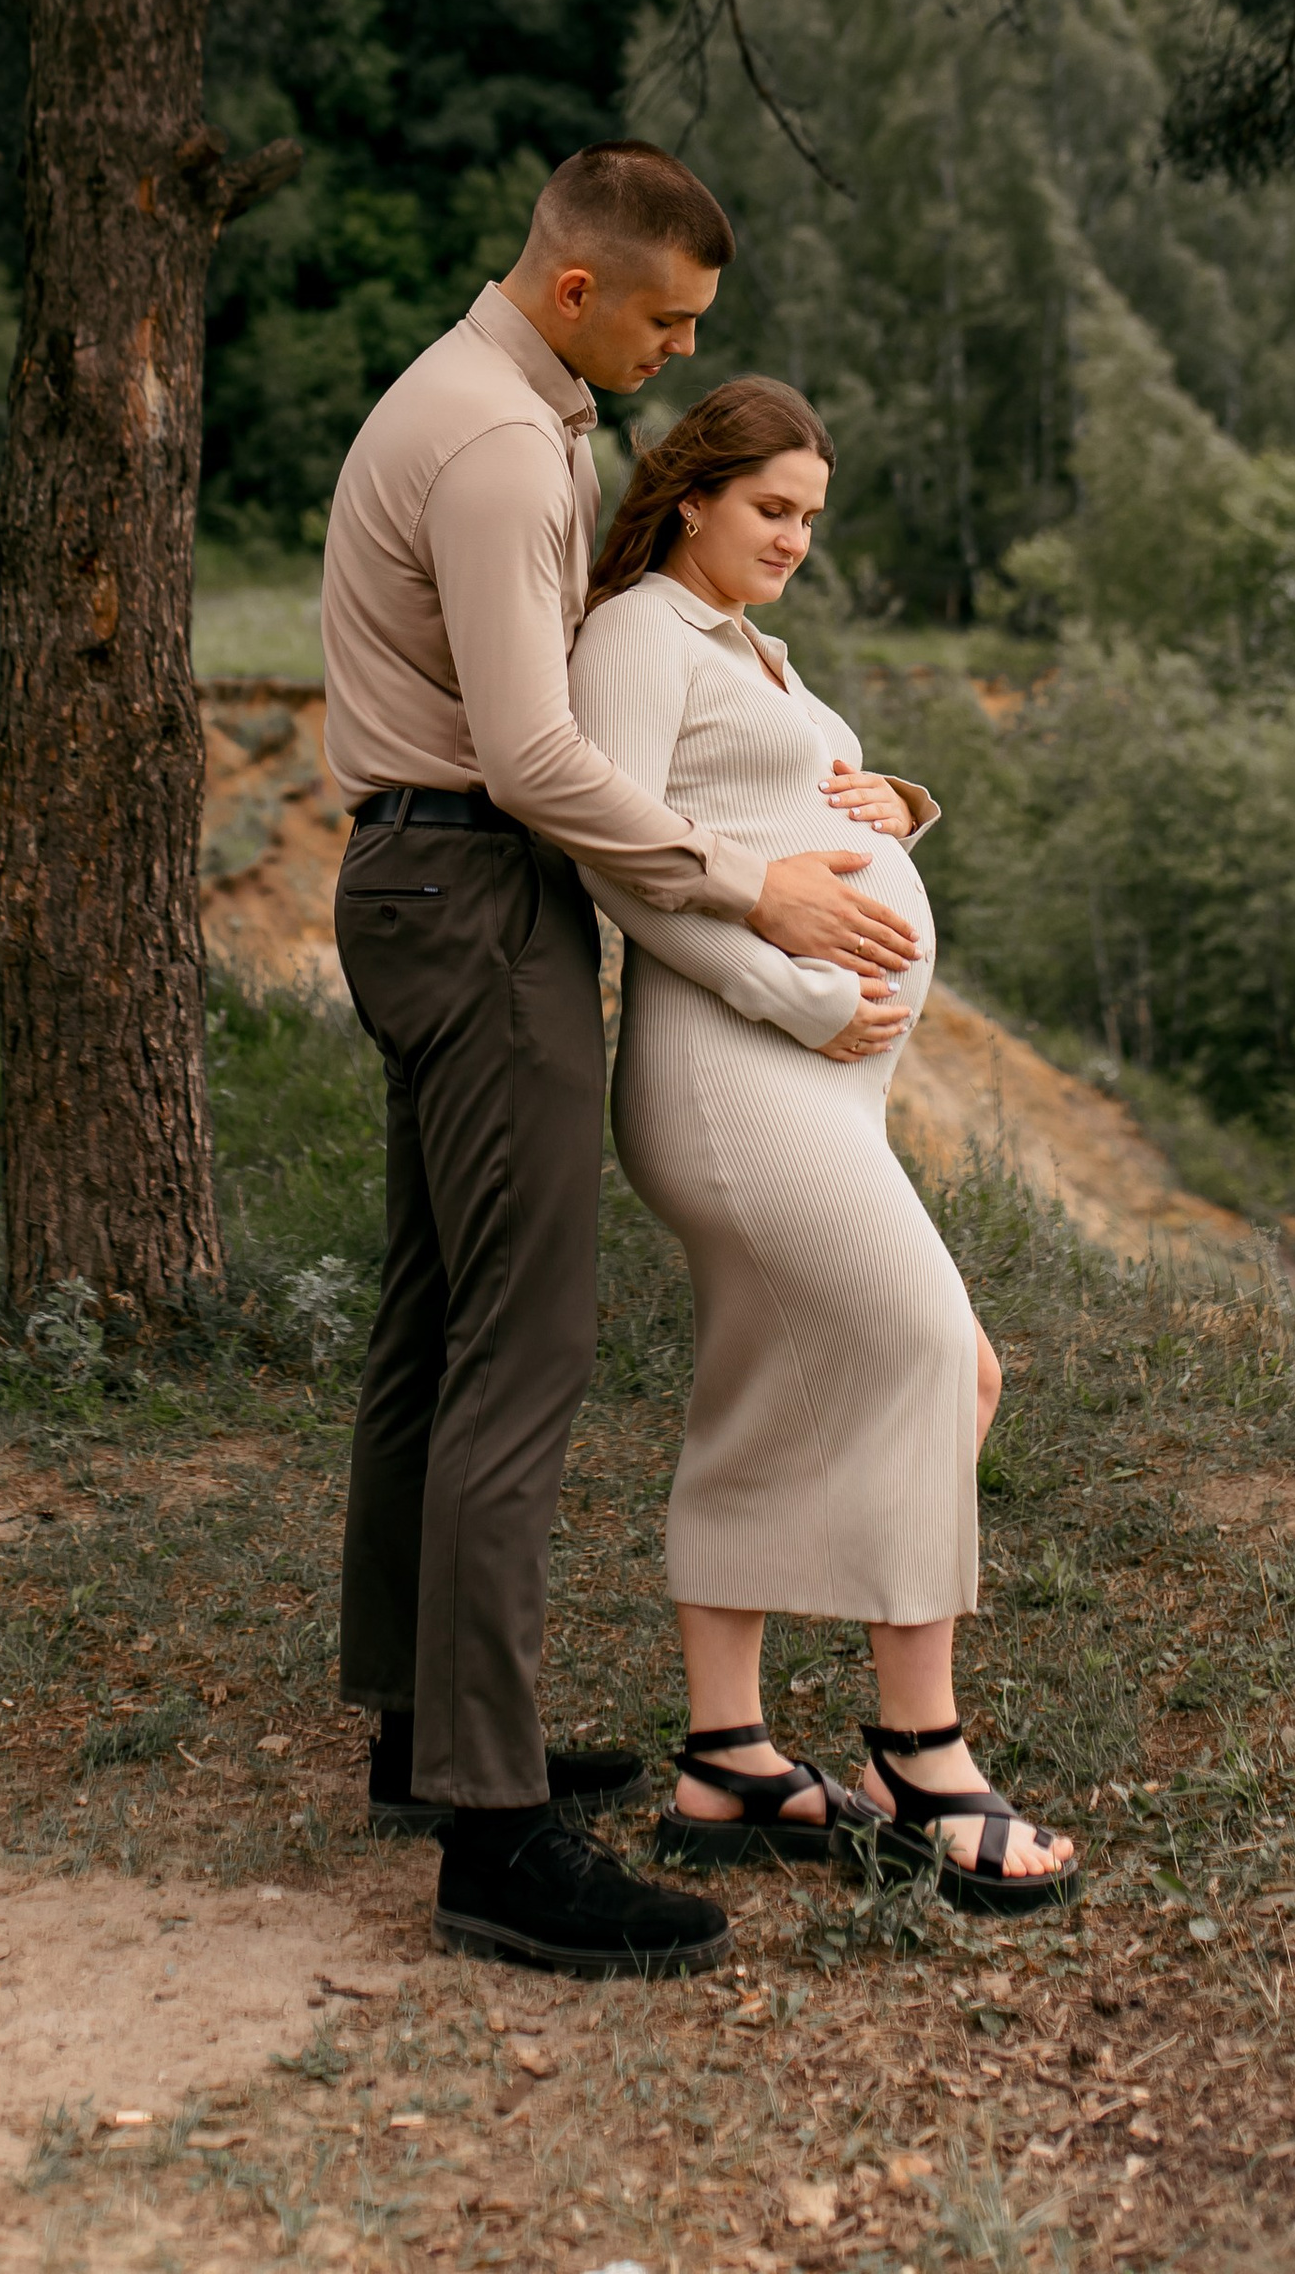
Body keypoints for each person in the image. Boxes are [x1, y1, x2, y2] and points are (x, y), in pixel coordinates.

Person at [321, 145, 924, 1978]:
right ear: (576, 290)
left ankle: (426, 1736)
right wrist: (764, 893)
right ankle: (498, 1841)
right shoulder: (509, 444)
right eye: (665, 320)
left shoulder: (471, 393)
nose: (676, 355)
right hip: (476, 885)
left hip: (422, 877)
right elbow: (535, 760)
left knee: (434, 1322)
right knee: (525, 1349)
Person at [566, 374, 1078, 1915]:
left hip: (800, 1079)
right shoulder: (642, 635)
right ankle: (922, 1759)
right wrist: (788, 990)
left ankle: (726, 1759)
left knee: (775, 1391)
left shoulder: (745, 644)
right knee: (938, 1360)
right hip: (735, 1072)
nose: (795, 539)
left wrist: (892, 810)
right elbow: (618, 848)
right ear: (690, 497)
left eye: (812, 519)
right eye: (773, 511)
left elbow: (780, 813)